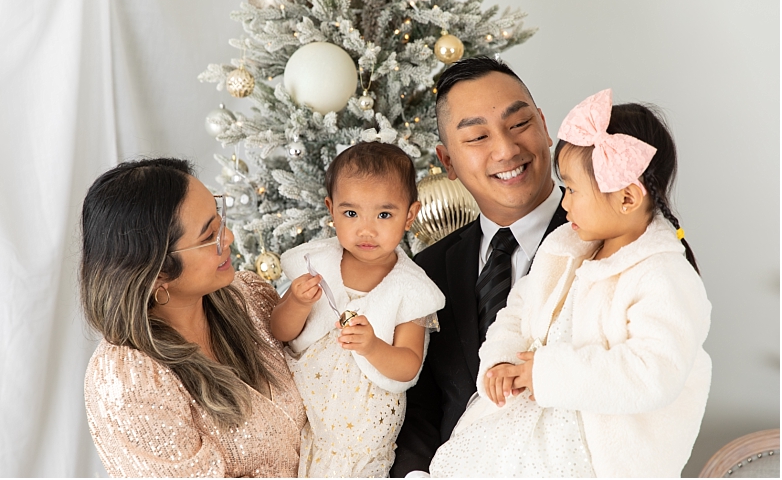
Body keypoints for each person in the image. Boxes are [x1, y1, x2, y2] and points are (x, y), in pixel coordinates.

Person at [429, 89, 710, 477]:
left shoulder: (663, 276)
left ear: (627, 198)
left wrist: (545, 373)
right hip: (521, 425)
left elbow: (651, 373)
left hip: (590, 453)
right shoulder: (566, 248)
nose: (565, 203)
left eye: (574, 190)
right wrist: (502, 358)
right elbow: (517, 310)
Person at [391, 57, 570, 476]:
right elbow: (418, 414)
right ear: (447, 161)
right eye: (476, 136)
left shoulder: (612, 238)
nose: (506, 149)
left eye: (520, 124)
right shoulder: (426, 272)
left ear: (544, 126)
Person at [80, 158, 305, 477]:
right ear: (157, 273)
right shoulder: (128, 380)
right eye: (209, 236)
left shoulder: (248, 297)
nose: (228, 238)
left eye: (219, 218)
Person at [271, 142, 445, 477]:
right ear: (331, 209)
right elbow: (280, 331)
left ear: (410, 215)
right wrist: (296, 302)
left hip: (366, 427)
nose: (366, 229)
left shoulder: (410, 287)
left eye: (384, 214)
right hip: (306, 409)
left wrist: (372, 346)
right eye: (351, 213)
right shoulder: (316, 265)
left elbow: (409, 365)